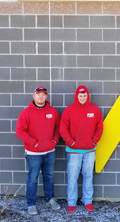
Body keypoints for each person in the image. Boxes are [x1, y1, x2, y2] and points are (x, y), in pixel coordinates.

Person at [16, 86, 61, 215]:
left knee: (49, 177)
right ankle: (31, 204)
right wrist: (33, 143)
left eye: (43, 94)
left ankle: (50, 199)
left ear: (46, 96)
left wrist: (54, 140)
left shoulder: (52, 111)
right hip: (33, 153)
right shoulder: (26, 113)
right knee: (32, 179)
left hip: (49, 152)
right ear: (34, 96)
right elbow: (19, 131)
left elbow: (58, 127)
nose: (41, 96)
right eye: (38, 94)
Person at [60, 85, 103, 213]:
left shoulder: (94, 109)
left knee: (88, 176)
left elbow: (99, 127)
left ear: (87, 96)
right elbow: (63, 129)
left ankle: (87, 200)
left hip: (89, 151)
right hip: (73, 151)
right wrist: (71, 142)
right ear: (76, 96)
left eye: (84, 95)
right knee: (72, 177)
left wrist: (94, 141)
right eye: (80, 95)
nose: (82, 98)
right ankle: (71, 202)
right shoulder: (69, 110)